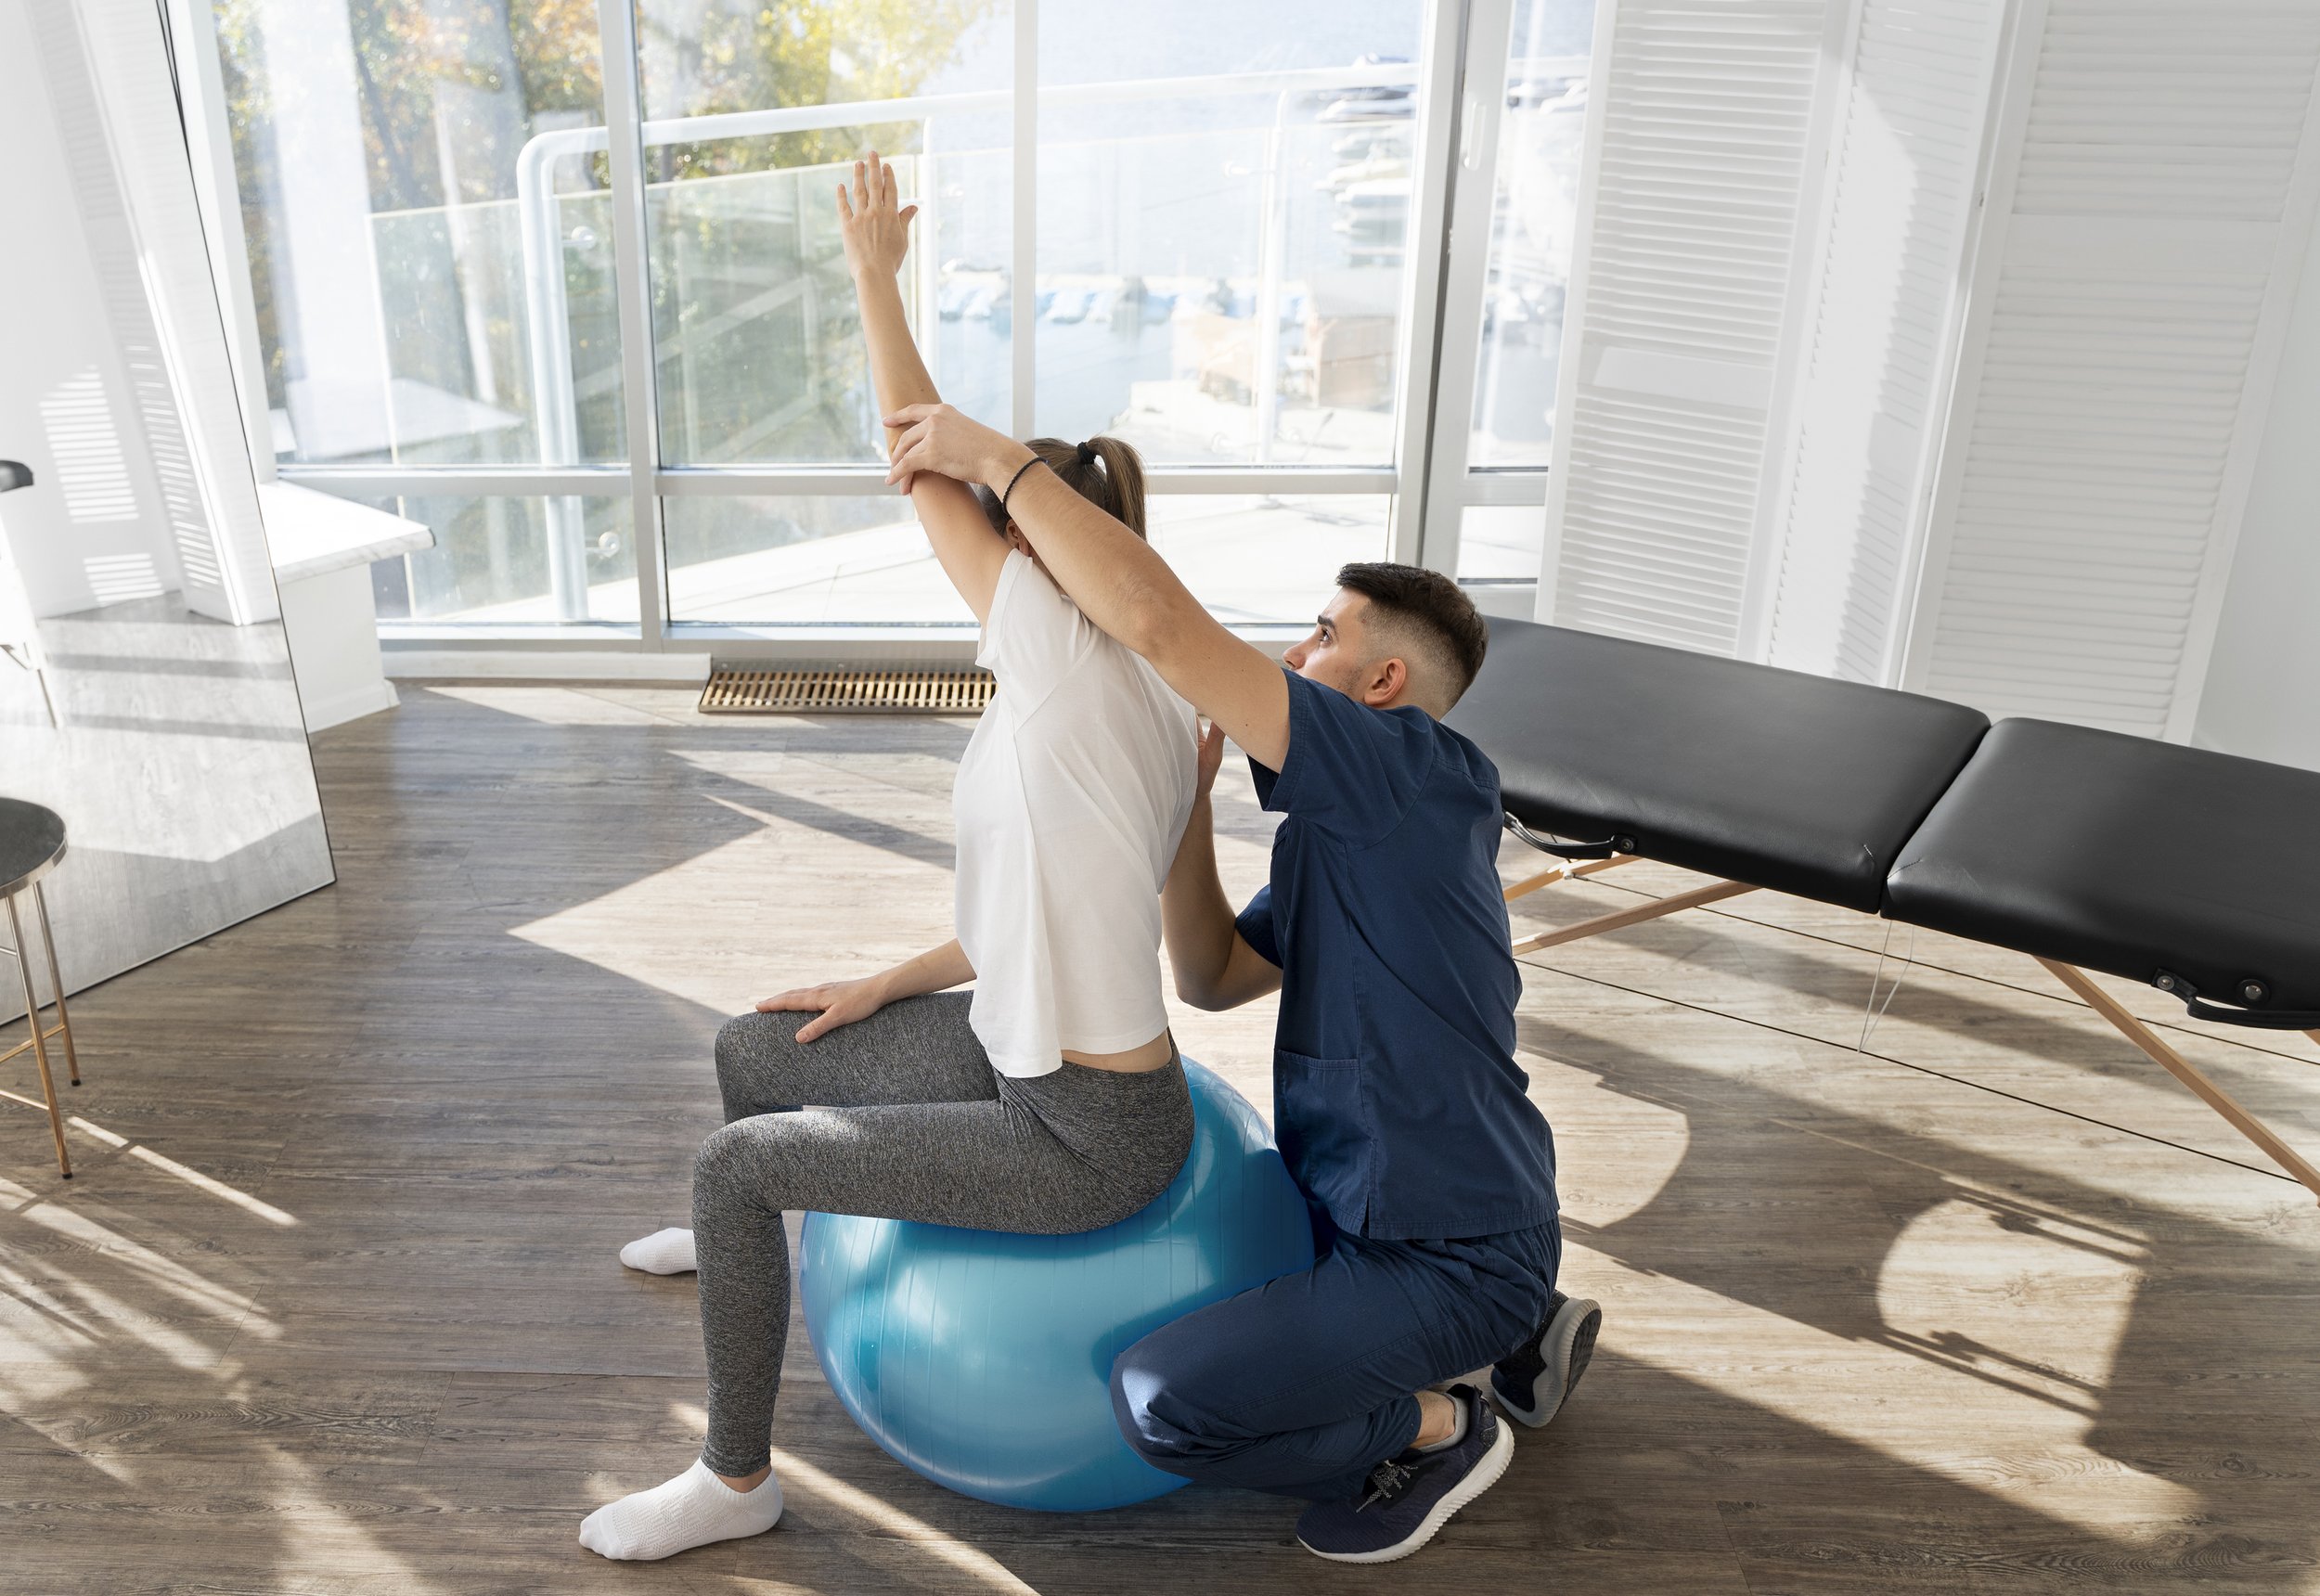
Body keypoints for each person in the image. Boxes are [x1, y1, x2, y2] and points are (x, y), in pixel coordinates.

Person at [579, 154, 1199, 1562]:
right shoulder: (1143, 705)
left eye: (1005, 531)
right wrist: (881, 981)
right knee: (762, 1048)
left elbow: (917, 446)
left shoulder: (1059, 650)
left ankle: (739, 1483)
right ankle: (744, 1251)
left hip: (1085, 1140)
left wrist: (873, 276)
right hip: (1019, 1054)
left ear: (1039, 549)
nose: (975, 549)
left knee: (739, 1165)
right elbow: (1039, 921)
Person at [882, 405, 1604, 1563]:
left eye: (1316, 635)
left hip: (1439, 1246)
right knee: (1261, 1309)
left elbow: (1160, 624)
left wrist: (990, 463)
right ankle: (1506, 1335)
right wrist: (1183, 814)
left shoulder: (1407, 771)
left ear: (1376, 682)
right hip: (1396, 1213)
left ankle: (1442, 1423)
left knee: (1166, 1402)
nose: (1287, 655)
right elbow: (1213, 975)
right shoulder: (1350, 825)